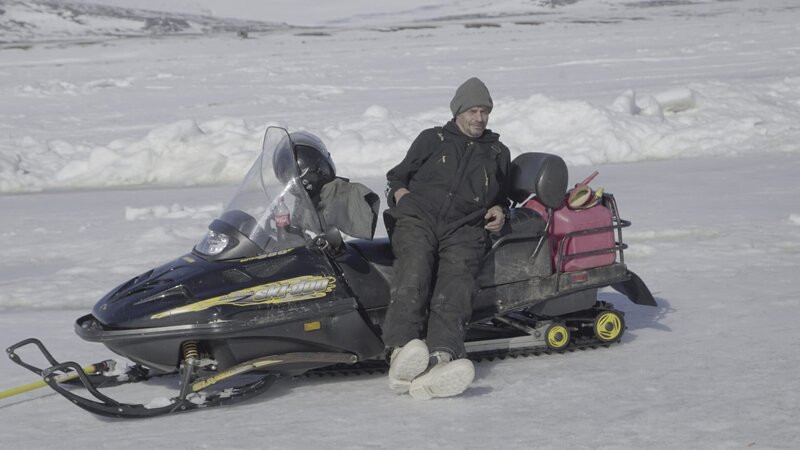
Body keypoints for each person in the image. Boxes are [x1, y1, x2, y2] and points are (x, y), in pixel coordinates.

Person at [382, 77, 511, 400]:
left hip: (465, 227)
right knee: (415, 267)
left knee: (457, 282)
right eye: (473, 111)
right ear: (458, 111)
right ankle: (401, 351)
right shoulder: (432, 139)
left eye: (485, 111)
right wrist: (402, 196)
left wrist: (499, 208)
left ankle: (442, 357)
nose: (479, 118)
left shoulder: (497, 152)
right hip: (419, 216)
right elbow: (397, 176)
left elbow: (504, 196)